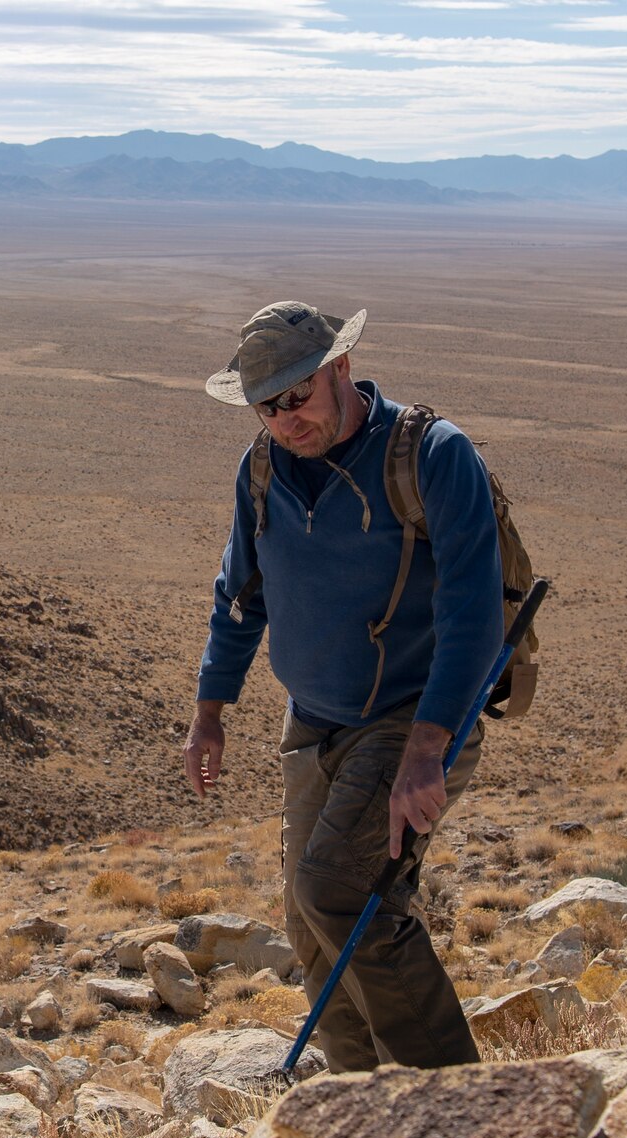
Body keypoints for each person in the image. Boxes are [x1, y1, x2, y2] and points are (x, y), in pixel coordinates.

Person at [183, 300, 501, 1072]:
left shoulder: (430, 455)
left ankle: (453, 1099)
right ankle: (365, 1101)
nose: (287, 418)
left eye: (299, 394)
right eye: (268, 405)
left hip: (408, 720)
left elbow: (474, 612)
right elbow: (241, 594)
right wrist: (210, 710)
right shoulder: (261, 472)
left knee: (343, 890)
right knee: (308, 919)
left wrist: (429, 747)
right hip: (312, 723)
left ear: (341, 369)